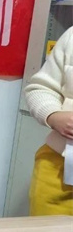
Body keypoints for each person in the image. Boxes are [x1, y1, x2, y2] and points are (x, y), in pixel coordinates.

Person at [25, 25, 73, 215]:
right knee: (47, 226)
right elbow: (41, 88)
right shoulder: (71, 37)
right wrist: (53, 116)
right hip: (58, 169)